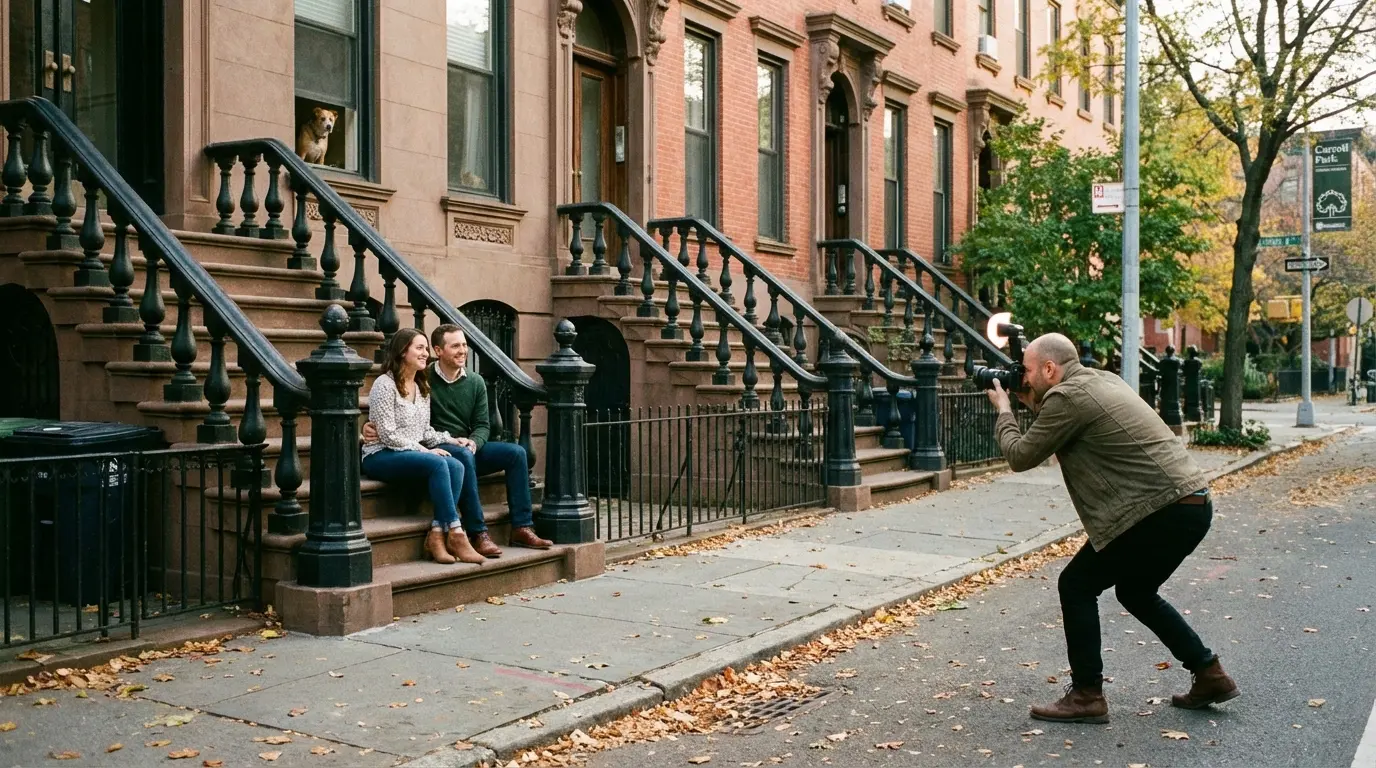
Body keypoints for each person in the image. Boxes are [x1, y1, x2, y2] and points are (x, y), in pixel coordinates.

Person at [987, 332, 1238, 724]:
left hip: (1158, 510)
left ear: (1050, 369)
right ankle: (1209, 673)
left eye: (1029, 370)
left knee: (1076, 585)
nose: (1024, 376)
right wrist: (1028, 399)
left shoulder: (1066, 398)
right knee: (1136, 592)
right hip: (1190, 503)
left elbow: (1021, 455)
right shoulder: (1102, 381)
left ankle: (1087, 694)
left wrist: (1004, 409)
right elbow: (1061, 428)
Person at [363, 324, 552, 557]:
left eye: (464, 345)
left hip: (450, 443)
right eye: (456, 346)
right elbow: (389, 425)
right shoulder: (421, 377)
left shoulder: (456, 382)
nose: (463, 350)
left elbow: (481, 425)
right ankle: (475, 531)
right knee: (458, 458)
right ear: (439, 350)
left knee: (516, 453)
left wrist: (471, 441)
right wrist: (368, 428)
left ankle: (522, 526)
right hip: (423, 448)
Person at [361, 328, 486, 565]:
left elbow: (424, 431)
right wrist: (425, 451)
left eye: (426, 349)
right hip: (380, 455)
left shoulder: (421, 385)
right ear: (402, 352)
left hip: (410, 452)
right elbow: (387, 435)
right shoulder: (384, 384)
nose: (425, 354)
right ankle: (457, 533)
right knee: (439, 463)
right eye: (419, 348)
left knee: (456, 464)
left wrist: (450, 440)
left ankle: (437, 534)